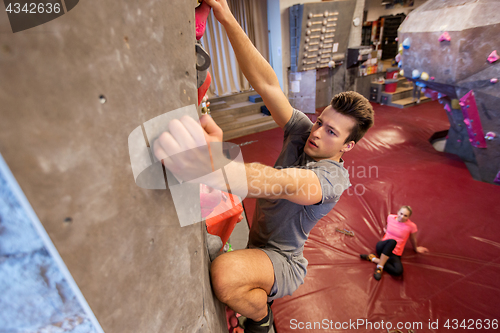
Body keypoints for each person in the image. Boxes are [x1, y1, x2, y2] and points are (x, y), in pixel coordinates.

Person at [153, 0, 374, 332]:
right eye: (319, 122)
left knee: (224, 275)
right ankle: (257, 296)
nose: (317, 132)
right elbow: (267, 83)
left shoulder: (332, 179)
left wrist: (207, 165)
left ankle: (261, 318)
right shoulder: (303, 132)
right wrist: (226, 17)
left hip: (283, 262)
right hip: (258, 246)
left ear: (348, 145)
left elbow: (280, 182)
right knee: (227, 264)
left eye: (331, 132)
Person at [360, 206, 429, 281]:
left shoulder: (411, 226)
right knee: (392, 241)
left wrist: (416, 248)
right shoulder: (390, 217)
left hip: (395, 252)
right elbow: (388, 226)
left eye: (405, 215)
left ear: (409, 217)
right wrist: (386, 230)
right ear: (398, 212)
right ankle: (379, 267)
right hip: (382, 247)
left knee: (398, 271)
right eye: (401, 213)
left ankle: (372, 258)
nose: (402, 216)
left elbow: (413, 239)